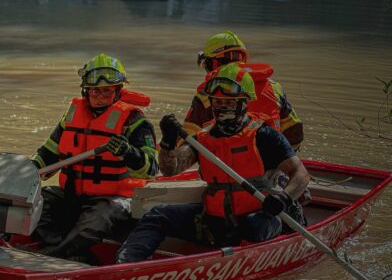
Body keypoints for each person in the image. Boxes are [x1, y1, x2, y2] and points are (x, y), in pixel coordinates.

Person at [116, 63, 310, 263]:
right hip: (215, 221)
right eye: (217, 102)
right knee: (157, 215)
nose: (222, 107)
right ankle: (126, 264)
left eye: (229, 102)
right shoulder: (202, 138)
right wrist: (167, 142)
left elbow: (301, 174)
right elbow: (169, 169)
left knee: (254, 226)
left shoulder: (264, 135)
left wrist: (284, 199)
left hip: (259, 218)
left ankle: (240, 263)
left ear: (244, 102)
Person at [31, 53, 159, 263]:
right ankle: (69, 250)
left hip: (115, 200)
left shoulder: (135, 121)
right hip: (73, 194)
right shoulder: (72, 116)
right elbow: (49, 152)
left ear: (118, 91)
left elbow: (151, 169)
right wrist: (29, 170)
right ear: (85, 91)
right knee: (36, 201)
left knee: (98, 217)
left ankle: (54, 256)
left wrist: (128, 152)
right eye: (95, 91)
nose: (100, 96)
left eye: (107, 91)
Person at [184, 31, 304, 150]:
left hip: (222, 161)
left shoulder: (209, 93)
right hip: (270, 160)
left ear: (214, 64)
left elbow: (185, 142)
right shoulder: (274, 88)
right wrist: (284, 157)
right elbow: (295, 134)